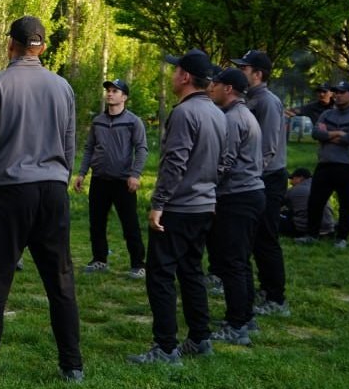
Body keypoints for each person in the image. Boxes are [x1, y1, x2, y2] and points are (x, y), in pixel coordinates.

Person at [0, 16, 83, 385]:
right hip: (52, 190)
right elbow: (69, 143)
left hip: (10, 191)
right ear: (42, 47)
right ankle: (72, 365)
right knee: (61, 281)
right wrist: (60, 178)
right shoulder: (62, 87)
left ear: (10, 44)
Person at [127, 49, 224, 366]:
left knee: (160, 274)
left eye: (175, 71)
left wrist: (159, 204)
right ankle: (200, 337)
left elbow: (174, 164)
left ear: (184, 76)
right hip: (204, 205)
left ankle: (166, 347)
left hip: (179, 208)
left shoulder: (184, 113)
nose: (171, 76)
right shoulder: (217, 113)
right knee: (192, 271)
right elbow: (222, 163)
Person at [206, 68, 265, 346]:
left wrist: (205, 188)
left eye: (215, 84)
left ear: (228, 89)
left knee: (232, 263)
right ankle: (245, 316)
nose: (211, 87)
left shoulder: (231, 119)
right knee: (240, 261)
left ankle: (236, 325)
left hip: (237, 197)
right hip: (250, 194)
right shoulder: (245, 115)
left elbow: (224, 164)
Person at [230, 50, 289, 319]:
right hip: (256, 179)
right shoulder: (249, 99)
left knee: (266, 239)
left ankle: (276, 297)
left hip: (268, 179)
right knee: (251, 241)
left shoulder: (268, 101)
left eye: (244, 68)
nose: (240, 71)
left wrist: (251, 177)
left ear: (258, 74)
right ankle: (261, 291)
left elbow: (268, 148)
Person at [74, 78, 148, 278]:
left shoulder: (133, 121)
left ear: (124, 97)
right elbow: (89, 148)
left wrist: (135, 174)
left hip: (123, 181)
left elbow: (141, 149)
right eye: (108, 90)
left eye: (115, 91)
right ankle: (99, 260)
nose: (110, 94)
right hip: (99, 180)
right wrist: (82, 173)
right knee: (96, 223)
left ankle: (139, 264)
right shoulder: (97, 121)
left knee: (130, 224)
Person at [308, 81, 349, 249]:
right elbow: (316, 133)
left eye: (342, 92)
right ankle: (312, 235)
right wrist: (339, 133)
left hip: (346, 165)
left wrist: (328, 136)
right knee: (315, 201)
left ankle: (342, 238)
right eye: (336, 92)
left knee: (346, 204)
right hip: (325, 163)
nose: (338, 95)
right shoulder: (326, 114)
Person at [286, 168, 335, 241]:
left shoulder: (294, 190)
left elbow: (278, 205)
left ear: (300, 178)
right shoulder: (320, 188)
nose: (291, 182)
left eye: (292, 179)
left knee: (277, 217)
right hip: (329, 228)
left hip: (305, 230)